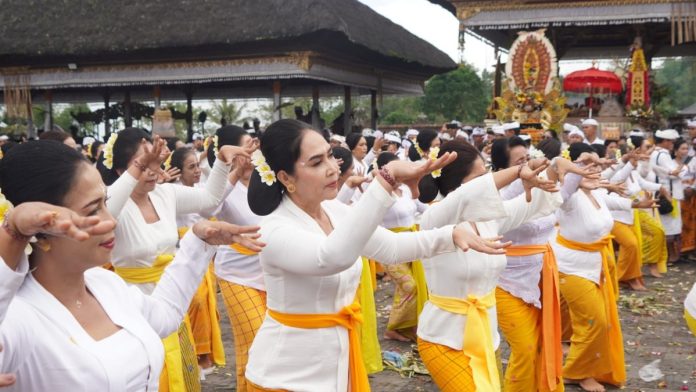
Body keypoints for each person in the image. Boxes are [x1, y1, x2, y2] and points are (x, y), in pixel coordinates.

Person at [243, 119, 511, 392]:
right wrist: (386, 180)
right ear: (285, 177)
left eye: (330, 156)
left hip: (335, 371)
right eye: (315, 162)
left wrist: (449, 235)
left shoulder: (335, 212)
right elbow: (331, 257)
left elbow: (391, 247)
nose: (333, 168)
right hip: (283, 377)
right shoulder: (273, 230)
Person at [0, 140, 262, 391]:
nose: (111, 220)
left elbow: (166, 313)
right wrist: (11, 233)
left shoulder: (106, 286)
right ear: (40, 229)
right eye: (93, 210)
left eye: (105, 202)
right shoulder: (18, 317)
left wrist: (199, 241)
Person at [101, 127, 248, 392]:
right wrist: (140, 167)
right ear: (121, 171)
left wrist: (224, 161)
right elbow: (107, 209)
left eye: (154, 163)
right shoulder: (114, 204)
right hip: (134, 306)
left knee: (180, 374)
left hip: (171, 301)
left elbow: (210, 199)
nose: (151, 170)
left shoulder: (164, 194)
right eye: (141, 164)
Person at [415, 140, 560, 391]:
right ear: (458, 182)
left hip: (485, 337)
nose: (489, 182)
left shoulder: (486, 219)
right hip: (443, 339)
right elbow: (467, 195)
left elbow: (529, 205)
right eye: (481, 176)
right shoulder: (434, 218)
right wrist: (516, 171)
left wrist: (553, 169)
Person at [553, 143, 653, 392]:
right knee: (593, 321)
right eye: (588, 167)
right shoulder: (567, 198)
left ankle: (580, 368)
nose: (596, 171)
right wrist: (580, 165)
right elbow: (561, 176)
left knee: (600, 321)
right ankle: (577, 372)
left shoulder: (596, 192)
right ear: (575, 169)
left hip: (595, 264)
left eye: (597, 167)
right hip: (570, 268)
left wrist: (635, 205)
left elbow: (612, 195)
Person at [206, 126, 268, 392]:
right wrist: (233, 171)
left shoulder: (265, 179)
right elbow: (210, 206)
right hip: (236, 274)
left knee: (260, 341)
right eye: (246, 147)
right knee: (256, 338)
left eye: (254, 145)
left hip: (268, 271)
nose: (252, 152)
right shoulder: (221, 182)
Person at [170, 147, 226, 376]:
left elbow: (217, 196)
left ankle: (202, 357)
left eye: (197, 166)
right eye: (190, 167)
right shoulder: (173, 192)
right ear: (179, 171)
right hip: (185, 256)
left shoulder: (202, 189)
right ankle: (192, 354)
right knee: (197, 302)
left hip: (206, 257)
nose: (196, 171)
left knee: (207, 305)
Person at [650, 129, 686, 263]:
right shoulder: (663, 154)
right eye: (671, 142)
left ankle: (665, 256)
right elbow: (678, 172)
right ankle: (669, 256)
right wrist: (684, 168)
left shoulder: (654, 153)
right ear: (665, 141)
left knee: (666, 226)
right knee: (669, 227)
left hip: (661, 192)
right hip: (668, 194)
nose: (672, 144)